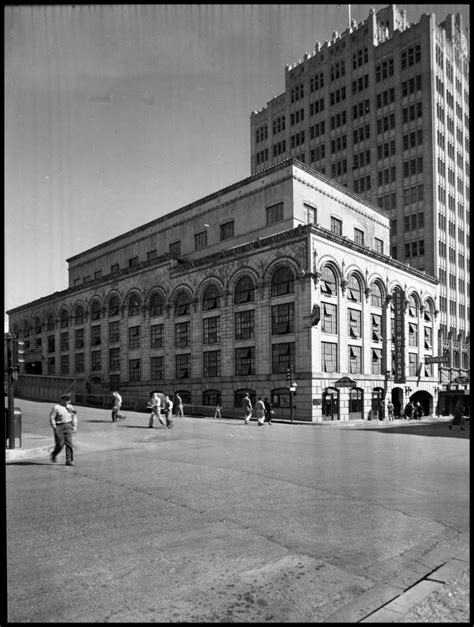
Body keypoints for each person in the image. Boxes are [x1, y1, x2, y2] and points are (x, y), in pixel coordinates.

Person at [49, 393, 78, 466]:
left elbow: (74, 416)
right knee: (60, 444)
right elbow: (52, 417)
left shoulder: (70, 407)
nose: (68, 402)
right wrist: (54, 426)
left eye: (69, 400)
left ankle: (69, 460)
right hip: (59, 426)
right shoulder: (56, 407)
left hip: (68, 425)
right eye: (66, 400)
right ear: (62, 400)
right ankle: (54, 454)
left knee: (69, 444)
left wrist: (74, 426)